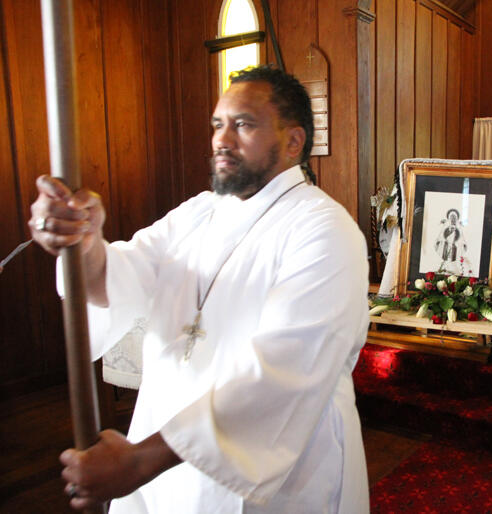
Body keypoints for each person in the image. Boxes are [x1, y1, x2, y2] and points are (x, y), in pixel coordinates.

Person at [29, 66, 370, 513]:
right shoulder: (199, 213)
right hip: (165, 450)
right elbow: (120, 275)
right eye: (217, 124)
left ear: (293, 142)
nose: (222, 139)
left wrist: (139, 461)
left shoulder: (326, 230)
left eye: (243, 124)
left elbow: (285, 373)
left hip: (269, 470)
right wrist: (84, 243)